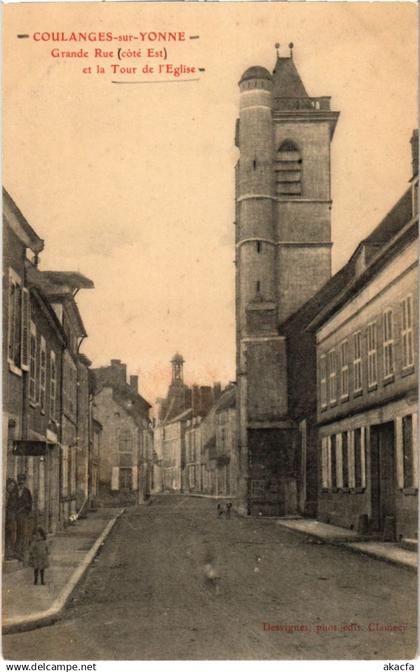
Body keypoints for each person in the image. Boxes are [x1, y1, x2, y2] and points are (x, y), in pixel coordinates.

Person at [15, 473, 32, 561]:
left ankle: (23, 554)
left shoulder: (27, 491)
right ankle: (17, 553)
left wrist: (26, 511)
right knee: (17, 534)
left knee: (24, 534)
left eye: (22, 480)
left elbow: (30, 504)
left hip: (24, 516)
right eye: (19, 480)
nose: (20, 482)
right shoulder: (14, 491)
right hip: (15, 516)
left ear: (24, 481)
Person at [5, 478, 18, 559]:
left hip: (11, 518)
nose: (11, 488)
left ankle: (10, 553)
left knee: (12, 535)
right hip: (9, 519)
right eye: (10, 486)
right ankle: (8, 553)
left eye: (13, 486)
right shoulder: (7, 495)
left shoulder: (12, 496)